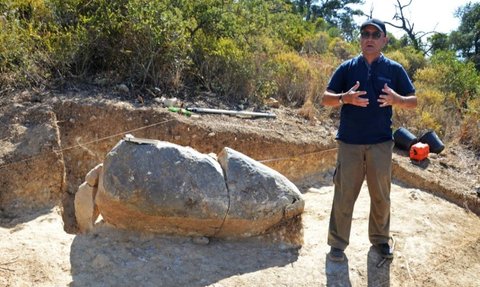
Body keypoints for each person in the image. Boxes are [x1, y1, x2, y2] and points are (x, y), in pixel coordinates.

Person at [321, 18, 417, 262]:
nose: (370, 38)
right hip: (349, 143)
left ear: (384, 39)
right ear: (361, 39)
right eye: (365, 34)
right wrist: (345, 98)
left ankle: (380, 240)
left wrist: (398, 99)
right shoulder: (347, 68)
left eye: (376, 34)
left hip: (381, 144)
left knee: (381, 195)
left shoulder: (394, 70)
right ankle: (337, 244)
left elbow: (413, 101)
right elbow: (326, 98)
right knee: (344, 195)